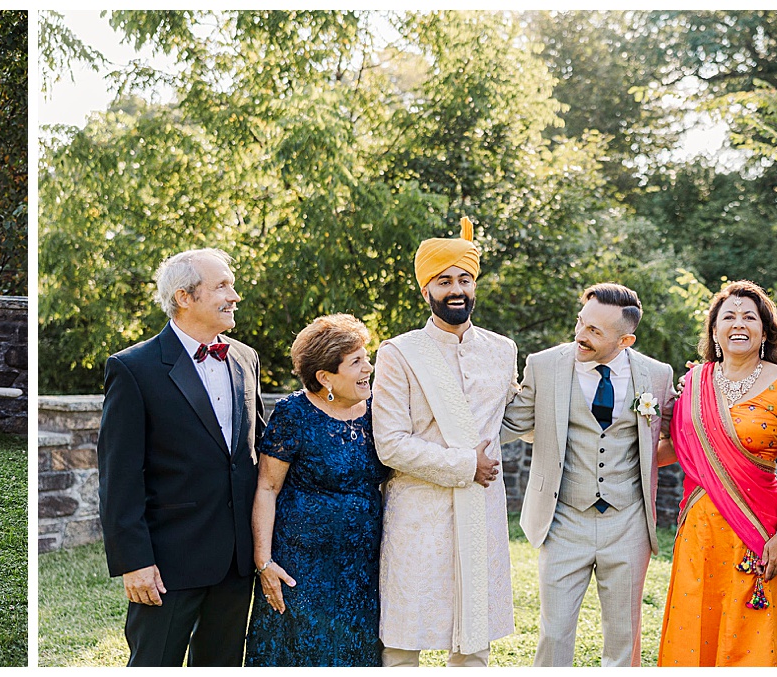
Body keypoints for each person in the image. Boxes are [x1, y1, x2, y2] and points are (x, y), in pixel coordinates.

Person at [97, 248, 263, 667]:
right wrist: (134, 562)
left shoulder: (245, 358)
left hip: (236, 561)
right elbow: (119, 475)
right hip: (169, 560)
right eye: (222, 286)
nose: (235, 295)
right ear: (185, 297)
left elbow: (252, 454)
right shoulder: (133, 368)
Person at [500, 283, 672, 666]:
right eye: (581, 322)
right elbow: (508, 422)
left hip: (628, 523)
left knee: (624, 635)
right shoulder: (544, 365)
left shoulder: (656, 375)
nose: (581, 335)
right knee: (554, 631)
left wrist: (644, 465)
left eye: (595, 331)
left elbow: (684, 433)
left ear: (625, 339)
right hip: (562, 520)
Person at [371, 217, 515, 667]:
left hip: (480, 505)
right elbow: (390, 444)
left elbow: (519, 415)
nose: (456, 289)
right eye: (444, 280)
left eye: (464, 279)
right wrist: (462, 465)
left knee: (473, 641)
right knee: (403, 639)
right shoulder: (399, 352)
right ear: (425, 291)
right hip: (418, 510)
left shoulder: (502, 350)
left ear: (475, 286)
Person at [656, 281, 777, 667]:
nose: (739, 324)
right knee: (696, 635)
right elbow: (676, 449)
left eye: (749, 317)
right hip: (699, 532)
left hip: (758, 529)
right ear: (715, 330)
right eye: (729, 316)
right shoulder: (693, 382)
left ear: (765, 329)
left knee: (752, 638)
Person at [245, 314, 389, 667]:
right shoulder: (294, 413)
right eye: (356, 362)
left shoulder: (379, 409)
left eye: (366, 357)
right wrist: (264, 562)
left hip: (361, 568)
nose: (368, 368)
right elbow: (266, 487)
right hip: (300, 568)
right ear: (325, 377)